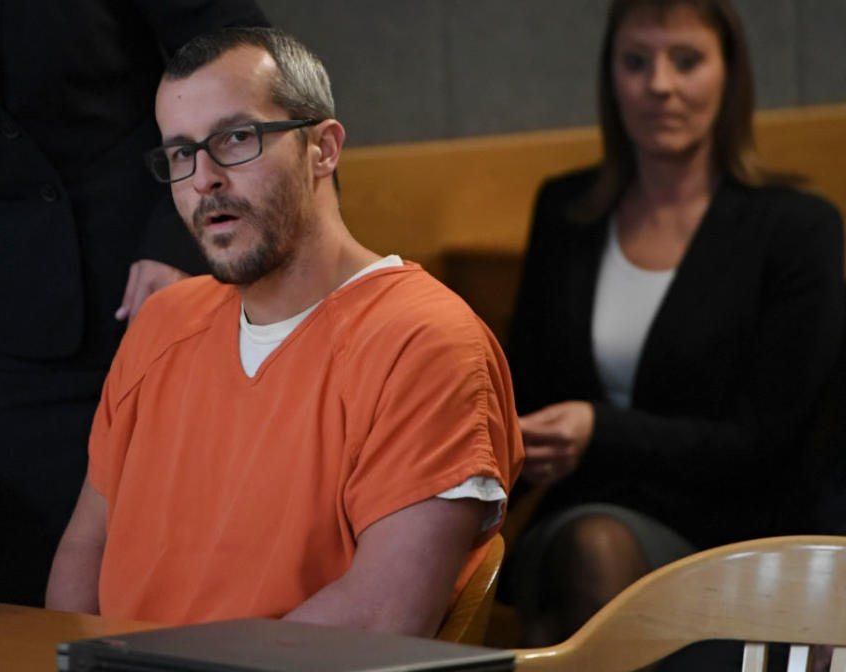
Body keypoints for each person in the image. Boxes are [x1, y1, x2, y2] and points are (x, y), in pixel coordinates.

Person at [45, 27, 524, 636]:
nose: (203, 179)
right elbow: (84, 553)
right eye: (180, 153)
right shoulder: (162, 323)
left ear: (323, 149)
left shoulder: (425, 341)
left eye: (237, 138)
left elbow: (384, 614)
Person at [0, 0, 269, 607]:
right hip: (8, 338)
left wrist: (185, 233)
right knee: (10, 596)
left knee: (191, 577)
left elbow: (248, 55)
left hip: (175, 285)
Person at [502, 0, 845, 656]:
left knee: (592, 564)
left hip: (740, 533)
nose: (659, 84)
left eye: (686, 60)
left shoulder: (798, 228)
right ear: (611, 78)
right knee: (587, 547)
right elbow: (527, 389)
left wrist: (599, 429)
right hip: (582, 517)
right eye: (636, 61)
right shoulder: (566, 210)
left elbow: (768, 441)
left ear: (728, 75)